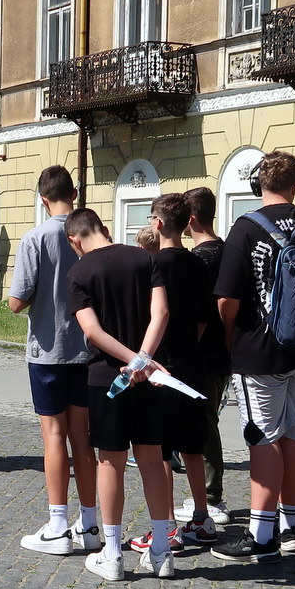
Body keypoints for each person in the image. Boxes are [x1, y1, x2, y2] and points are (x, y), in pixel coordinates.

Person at [211, 151, 295, 564]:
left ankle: (261, 534)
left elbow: (227, 297)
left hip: (259, 350)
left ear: (257, 184)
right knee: (292, 433)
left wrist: (230, 338)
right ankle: (290, 527)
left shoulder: (246, 228)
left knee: (261, 436)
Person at [66, 207, 171, 580]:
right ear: (104, 229)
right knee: (151, 457)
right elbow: (161, 313)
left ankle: (112, 554)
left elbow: (92, 332)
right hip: (151, 375)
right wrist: (144, 360)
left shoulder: (79, 272)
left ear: (73, 240)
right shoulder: (145, 257)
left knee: (110, 461)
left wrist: (129, 361)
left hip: (106, 378)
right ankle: (161, 550)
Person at [9, 166, 97, 556]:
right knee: (83, 437)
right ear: (73, 193)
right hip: (87, 350)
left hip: (48, 351)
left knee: (53, 436)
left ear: (42, 198)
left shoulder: (36, 237)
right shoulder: (92, 233)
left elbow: (16, 301)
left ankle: (58, 525)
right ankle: (91, 523)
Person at [129, 193, 218, 557]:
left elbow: (152, 316)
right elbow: (202, 318)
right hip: (191, 363)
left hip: (161, 368)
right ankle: (201, 518)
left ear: (159, 223)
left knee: (161, 450)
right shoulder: (198, 263)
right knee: (192, 445)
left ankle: (165, 530)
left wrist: (146, 357)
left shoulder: (154, 264)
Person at [175, 185, 232, 526]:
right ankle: (208, 493)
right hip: (222, 348)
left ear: (191, 219)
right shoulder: (227, 251)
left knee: (202, 423)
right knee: (206, 419)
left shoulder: (200, 259)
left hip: (202, 351)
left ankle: (211, 497)